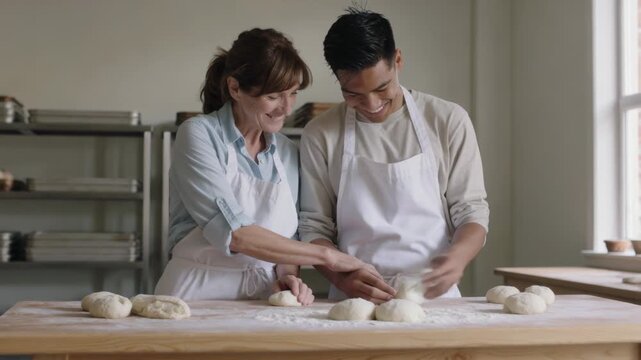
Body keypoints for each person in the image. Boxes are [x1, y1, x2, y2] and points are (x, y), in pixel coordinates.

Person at [155, 28, 373, 305]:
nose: (287, 108)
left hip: (262, 296)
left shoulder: (286, 152)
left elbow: (288, 235)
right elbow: (234, 233)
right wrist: (327, 256)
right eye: (273, 96)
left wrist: (287, 274)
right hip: (195, 293)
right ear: (235, 88)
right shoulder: (199, 135)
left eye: (293, 93)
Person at [298, 9, 490, 304]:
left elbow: (471, 211)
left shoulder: (447, 120)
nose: (372, 104)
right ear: (339, 79)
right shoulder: (320, 133)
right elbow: (314, 227)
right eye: (353, 95)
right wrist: (341, 278)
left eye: (382, 87)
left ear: (397, 60)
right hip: (353, 300)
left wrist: (457, 259)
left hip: (434, 297)